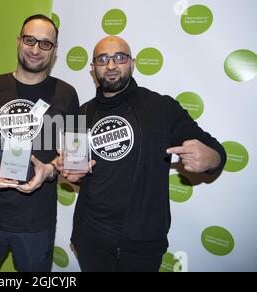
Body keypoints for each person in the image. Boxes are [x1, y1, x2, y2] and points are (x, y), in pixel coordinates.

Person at [60, 36, 227, 272]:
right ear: (93, 68)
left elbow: (216, 151)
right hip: (90, 237)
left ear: (132, 63)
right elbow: (76, 171)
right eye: (102, 59)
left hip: (142, 243)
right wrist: (72, 174)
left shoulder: (162, 108)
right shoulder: (80, 114)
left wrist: (212, 158)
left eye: (119, 57)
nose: (110, 65)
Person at [0, 15, 79, 272]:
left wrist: (50, 169)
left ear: (54, 51)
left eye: (45, 44)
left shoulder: (67, 94)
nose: (35, 49)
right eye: (30, 40)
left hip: (36, 224)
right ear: (19, 41)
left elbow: (75, 156)